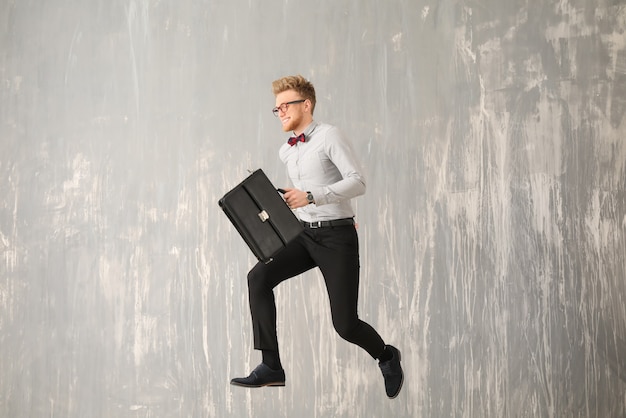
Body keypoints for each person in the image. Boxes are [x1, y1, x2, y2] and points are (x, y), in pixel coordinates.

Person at [230, 75, 404, 399]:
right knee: (258, 277)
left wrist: (311, 196)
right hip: (304, 234)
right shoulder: (286, 150)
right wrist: (286, 200)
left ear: (305, 105)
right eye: (276, 108)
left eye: (286, 105)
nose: (280, 112)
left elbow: (358, 182)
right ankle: (271, 366)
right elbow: (303, 195)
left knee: (346, 325)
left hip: (338, 237)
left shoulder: (329, 136)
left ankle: (386, 356)